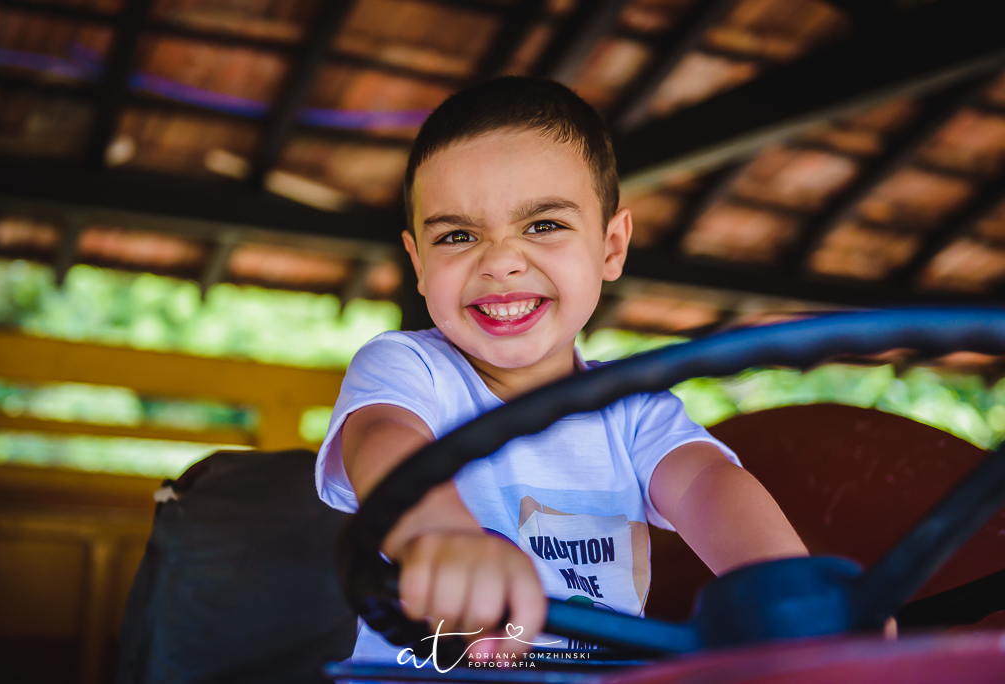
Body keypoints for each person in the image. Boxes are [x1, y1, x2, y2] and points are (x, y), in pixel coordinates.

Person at [316, 76, 807, 666]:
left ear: (610, 246)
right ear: (418, 264)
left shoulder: (632, 405)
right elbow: (383, 443)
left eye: (543, 225)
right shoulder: (409, 367)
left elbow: (707, 485)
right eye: (457, 235)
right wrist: (439, 535)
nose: (500, 262)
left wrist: (790, 591)